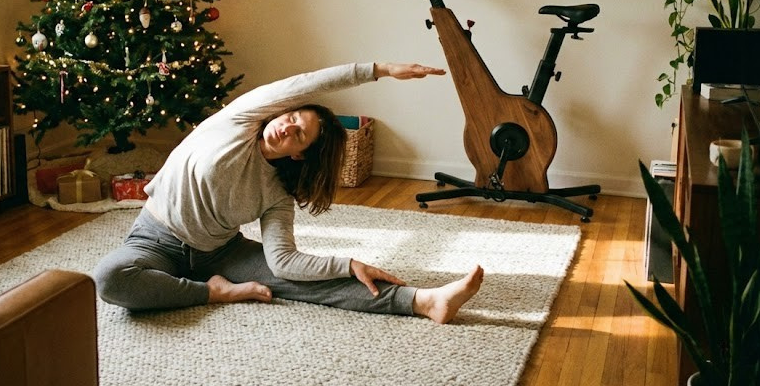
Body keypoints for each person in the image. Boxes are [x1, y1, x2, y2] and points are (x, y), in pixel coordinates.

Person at [92, 62, 484, 324]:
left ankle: (424, 301)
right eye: (292, 117)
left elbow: (283, 262)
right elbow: (309, 83)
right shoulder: (239, 119)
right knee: (110, 278)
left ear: (299, 154)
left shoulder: (277, 191)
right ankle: (211, 293)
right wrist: (380, 69)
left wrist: (346, 263)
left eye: (300, 133)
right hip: (155, 239)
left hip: (220, 251)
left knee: (305, 282)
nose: (288, 127)